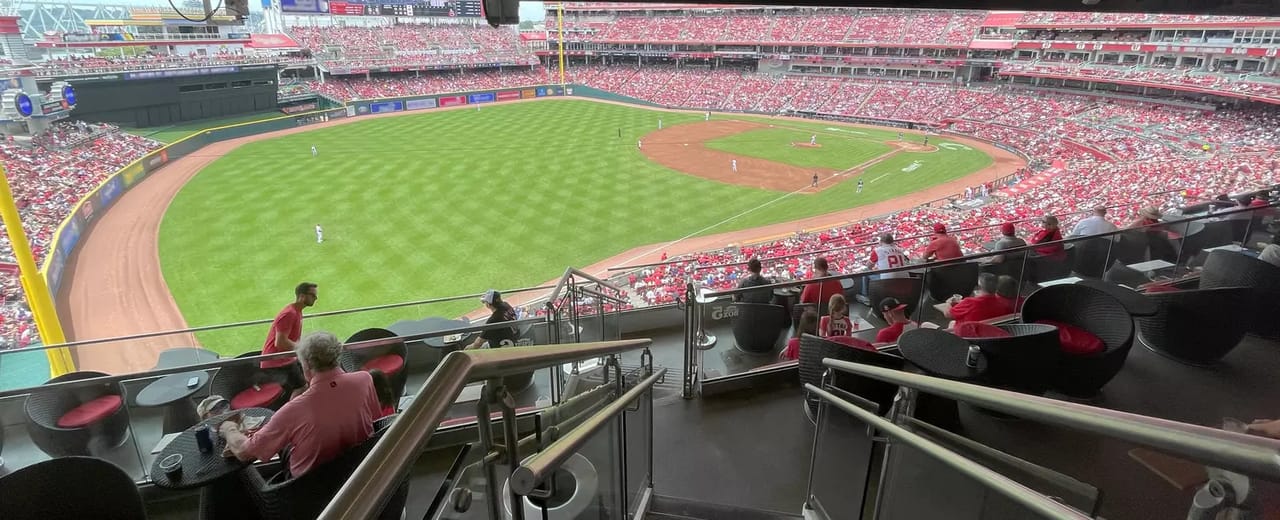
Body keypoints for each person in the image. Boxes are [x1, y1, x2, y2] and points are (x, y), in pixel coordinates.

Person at [220, 332, 381, 478]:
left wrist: (228, 428)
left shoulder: (293, 410)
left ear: (307, 365)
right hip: (361, 474)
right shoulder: (364, 380)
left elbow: (244, 452)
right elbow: (376, 419)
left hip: (309, 490)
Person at [261, 283, 318, 395]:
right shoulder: (290, 314)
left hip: (285, 358)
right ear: (302, 296)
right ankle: (292, 411)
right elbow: (281, 343)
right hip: (276, 362)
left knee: (307, 379)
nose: (316, 298)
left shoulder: (296, 311)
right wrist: (303, 348)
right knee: (302, 388)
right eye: (313, 295)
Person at [945, 273, 1013, 324]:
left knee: (952, 323)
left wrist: (948, 303)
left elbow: (948, 314)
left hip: (969, 333)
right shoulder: (1002, 302)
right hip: (989, 331)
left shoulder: (970, 302)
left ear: (980, 286)